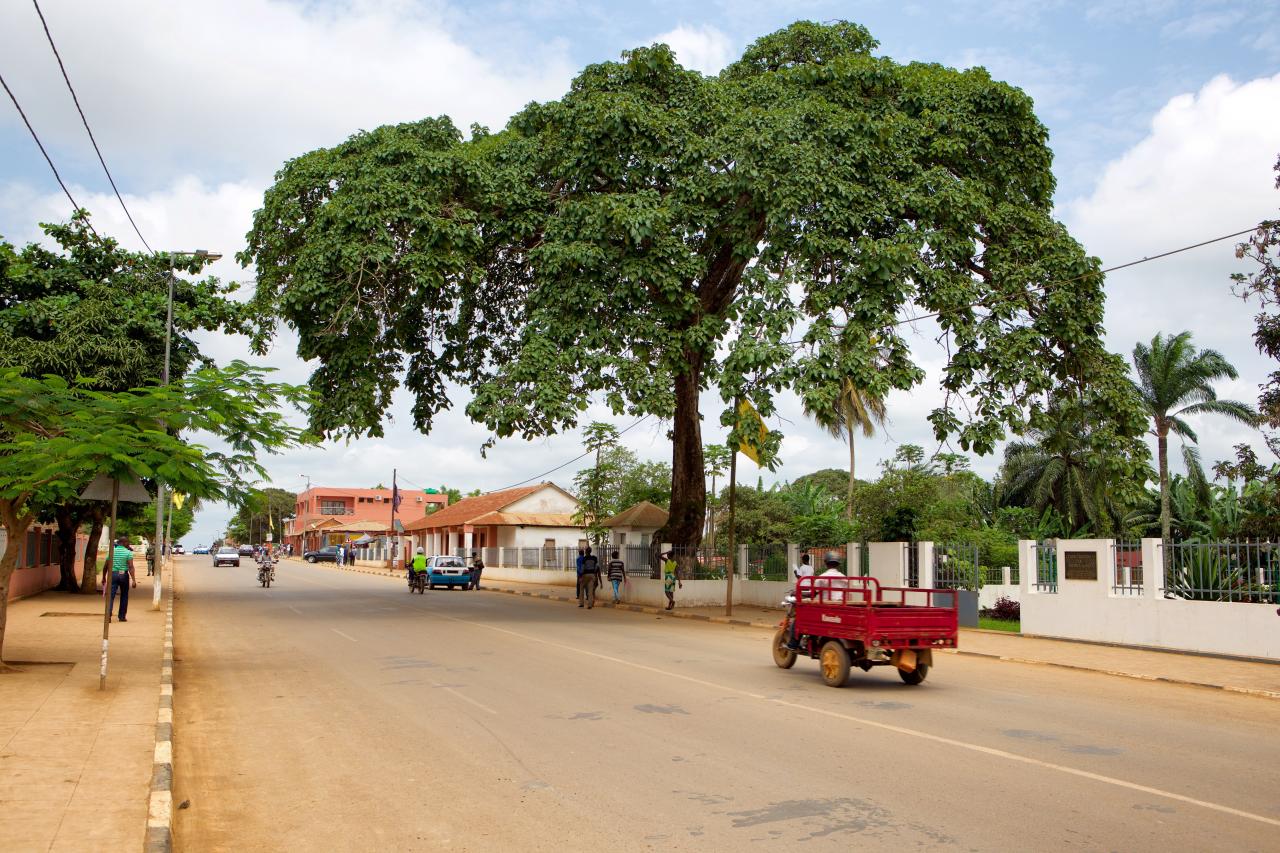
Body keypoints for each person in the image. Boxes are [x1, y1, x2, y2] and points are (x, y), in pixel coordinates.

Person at [106, 535, 137, 622]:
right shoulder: (128, 553)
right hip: (124, 575)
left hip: (113, 575)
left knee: (111, 596)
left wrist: (104, 576)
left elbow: (106, 565)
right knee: (124, 596)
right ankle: (122, 616)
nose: (129, 544)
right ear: (124, 543)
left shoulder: (112, 551)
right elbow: (131, 567)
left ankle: (108, 616)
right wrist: (134, 580)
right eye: (128, 542)